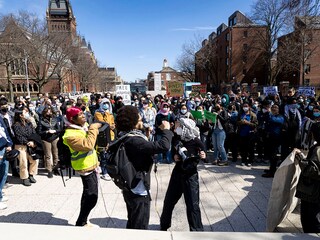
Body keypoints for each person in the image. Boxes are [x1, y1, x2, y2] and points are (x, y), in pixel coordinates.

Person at [115, 105, 173, 229]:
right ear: (133, 123)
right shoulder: (134, 140)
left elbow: (142, 149)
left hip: (129, 187)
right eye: (140, 120)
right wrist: (167, 130)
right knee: (140, 226)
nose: (142, 122)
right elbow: (163, 146)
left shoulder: (124, 136)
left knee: (132, 220)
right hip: (138, 190)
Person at [160, 118, 205, 231]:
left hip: (190, 176)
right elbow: (173, 152)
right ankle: (164, 225)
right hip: (177, 173)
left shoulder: (195, 140)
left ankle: (197, 231)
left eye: (178, 126)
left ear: (185, 128)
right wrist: (175, 156)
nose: (176, 128)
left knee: (193, 205)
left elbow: (203, 152)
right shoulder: (176, 138)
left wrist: (203, 155)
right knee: (169, 201)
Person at [62, 107, 102, 227]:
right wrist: (93, 128)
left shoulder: (81, 127)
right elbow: (88, 145)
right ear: (73, 119)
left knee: (88, 194)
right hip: (84, 167)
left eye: (83, 113)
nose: (83, 116)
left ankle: (82, 220)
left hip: (92, 166)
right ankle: (81, 221)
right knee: (91, 196)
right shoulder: (70, 135)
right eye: (80, 115)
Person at [296, 122, 320, 233]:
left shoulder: (317, 149)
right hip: (315, 191)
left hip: (312, 191)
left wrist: (300, 159)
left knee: (309, 220)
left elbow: (312, 171)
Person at [13, 107, 39, 186]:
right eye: (25, 112)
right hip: (20, 146)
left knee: (35, 160)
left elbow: (34, 133)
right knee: (23, 162)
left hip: (31, 145)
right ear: (20, 115)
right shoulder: (16, 125)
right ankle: (25, 177)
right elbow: (19, 136)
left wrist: (33, 142)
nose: (27, 114)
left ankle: (31, 175)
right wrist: (27, 142)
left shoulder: (29, 123)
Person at [37, 106, 62, 178]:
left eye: (50, 111)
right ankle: (49, 170)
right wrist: (47, 131)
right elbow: (39, 132)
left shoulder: (55, 119)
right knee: (47, 155)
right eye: (48, 111)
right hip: (46, 139)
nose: (49, 113)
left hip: (54, 138)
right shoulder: (41, 121)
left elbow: (59, 129)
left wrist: (55, 131)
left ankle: (55, 168)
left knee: (55, 154)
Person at [94, 98, 115, 181]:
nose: (106, 105)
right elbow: (104, 123)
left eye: (107, 103)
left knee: (109, 154)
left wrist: (113, 125)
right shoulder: (98, 113)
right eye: (104, 103)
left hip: (111, 135)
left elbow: (112, 123)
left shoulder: (111, 114)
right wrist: (106, 115)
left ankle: (109, 171)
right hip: (102, 136)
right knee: (103, 155)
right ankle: (104, 172)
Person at [0, 117, 13, 210]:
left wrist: (9, 143)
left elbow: (5, 131)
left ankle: (0, 194)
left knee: (4, 173)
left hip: (4, 147)